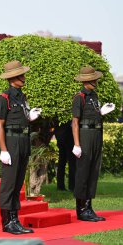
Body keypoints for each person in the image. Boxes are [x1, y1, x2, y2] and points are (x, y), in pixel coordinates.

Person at [0, 60, 42, 235]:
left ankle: (15, 219)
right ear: (12, 77)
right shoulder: (3, 98)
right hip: (11, 141)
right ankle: (7, 222)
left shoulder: (22, 97)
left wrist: (30, 116)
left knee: (17, 183)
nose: (24, 78)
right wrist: (3, 149)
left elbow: (22, 118)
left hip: (23, 140)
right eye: (21, 75)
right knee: (9, 183)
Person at [71, 66, 115, 222]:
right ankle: (81, 209)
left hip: (96, 134)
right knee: (83, 172)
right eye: (93, 79)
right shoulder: (79, 97)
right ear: (86, 81)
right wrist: (77, 144)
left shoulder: (94, 96)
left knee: (93, 171)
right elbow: (75, 122)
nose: (96, 81)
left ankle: (89, 207)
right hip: (85, 135)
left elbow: (93, 115)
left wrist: (101, 112)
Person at [54, 121, 76, 191]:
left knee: (62, 162)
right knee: (71, 163)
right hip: (68, 137)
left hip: (61, 137)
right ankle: (72, 186)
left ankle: (60, 186)